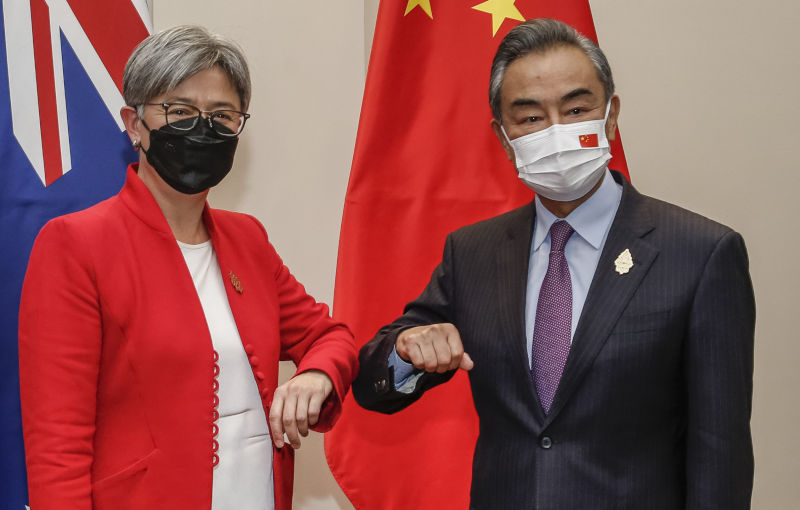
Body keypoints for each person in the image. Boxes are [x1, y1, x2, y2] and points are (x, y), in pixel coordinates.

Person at [353, 18, 755, 509]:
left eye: (576, 109)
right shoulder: (474, 252)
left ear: (610, 117)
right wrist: (405, 351)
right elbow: (374, 385)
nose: (557, 132)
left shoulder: (700, 253)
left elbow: (720, 450)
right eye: (531, 119)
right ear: (504, 139)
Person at [18, 25, 358, 510]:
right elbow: (58, 448)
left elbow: (332, 336)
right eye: (179, 111)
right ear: (134, 123)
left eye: (222, 115)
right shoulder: (76, 245)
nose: (203, 129)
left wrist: (316, 376)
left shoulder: (248, 240)